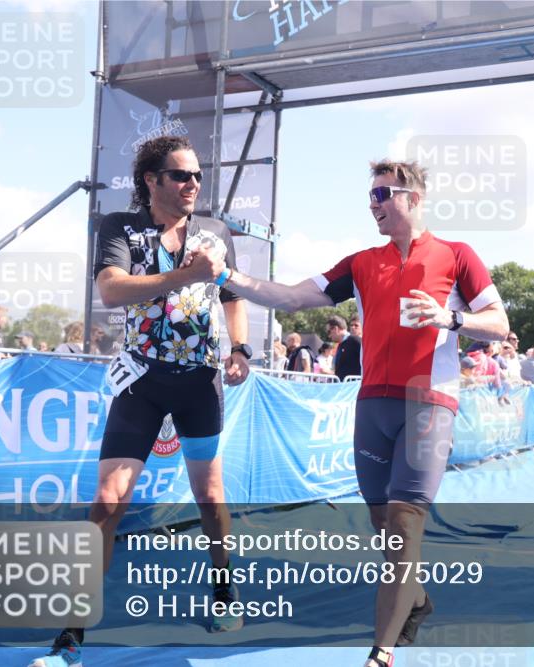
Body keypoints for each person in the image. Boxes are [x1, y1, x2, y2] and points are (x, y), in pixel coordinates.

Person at [209, 159, 508, 667]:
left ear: (414, 197)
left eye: (382, 194)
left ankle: (381, 653)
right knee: (382, 524)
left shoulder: (458, 256)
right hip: (372, 405)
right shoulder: (363, 262)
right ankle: (415, 600)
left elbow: (499, 323)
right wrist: (227, 275)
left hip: (427, 405)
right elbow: (293, 296)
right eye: (369, 196)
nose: (373, 204)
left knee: (405, 524)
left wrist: (450, 318)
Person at [31, 136, 252, 667]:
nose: (192, 184)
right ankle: (72, 632)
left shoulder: (217, 233)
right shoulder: (120, 227)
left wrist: (240, 347)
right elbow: (112, 291)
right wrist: (185, 275)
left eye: (197, 175)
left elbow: (233, 296)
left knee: (210, 496)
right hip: (141, 383)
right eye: (180, 176)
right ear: (151, 180)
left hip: (200, 382)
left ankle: (223, 585)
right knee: (107, 502)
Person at [327, 315, 362, 380]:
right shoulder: (341, 345)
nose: (329, 336)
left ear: (335, 329)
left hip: (354, 387)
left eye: (329, 331)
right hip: (343, 387)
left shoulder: (356, 341)